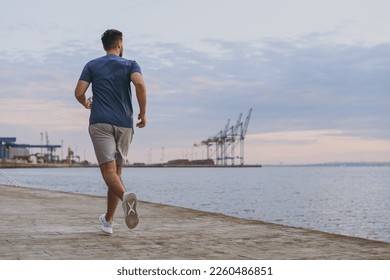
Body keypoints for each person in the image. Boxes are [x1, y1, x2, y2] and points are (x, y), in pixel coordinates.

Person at [74, 29, 147, 234]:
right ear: (120, 43)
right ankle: (108, 222)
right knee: (116, 173)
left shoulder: (92, 65)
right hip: (124, 124)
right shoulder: (131, 64)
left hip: (101, 123)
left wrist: (85, 102)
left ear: (104, 45)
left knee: (108, 173)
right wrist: (143, 113)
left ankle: (125, 198)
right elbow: (140, 84)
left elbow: (79, 92)